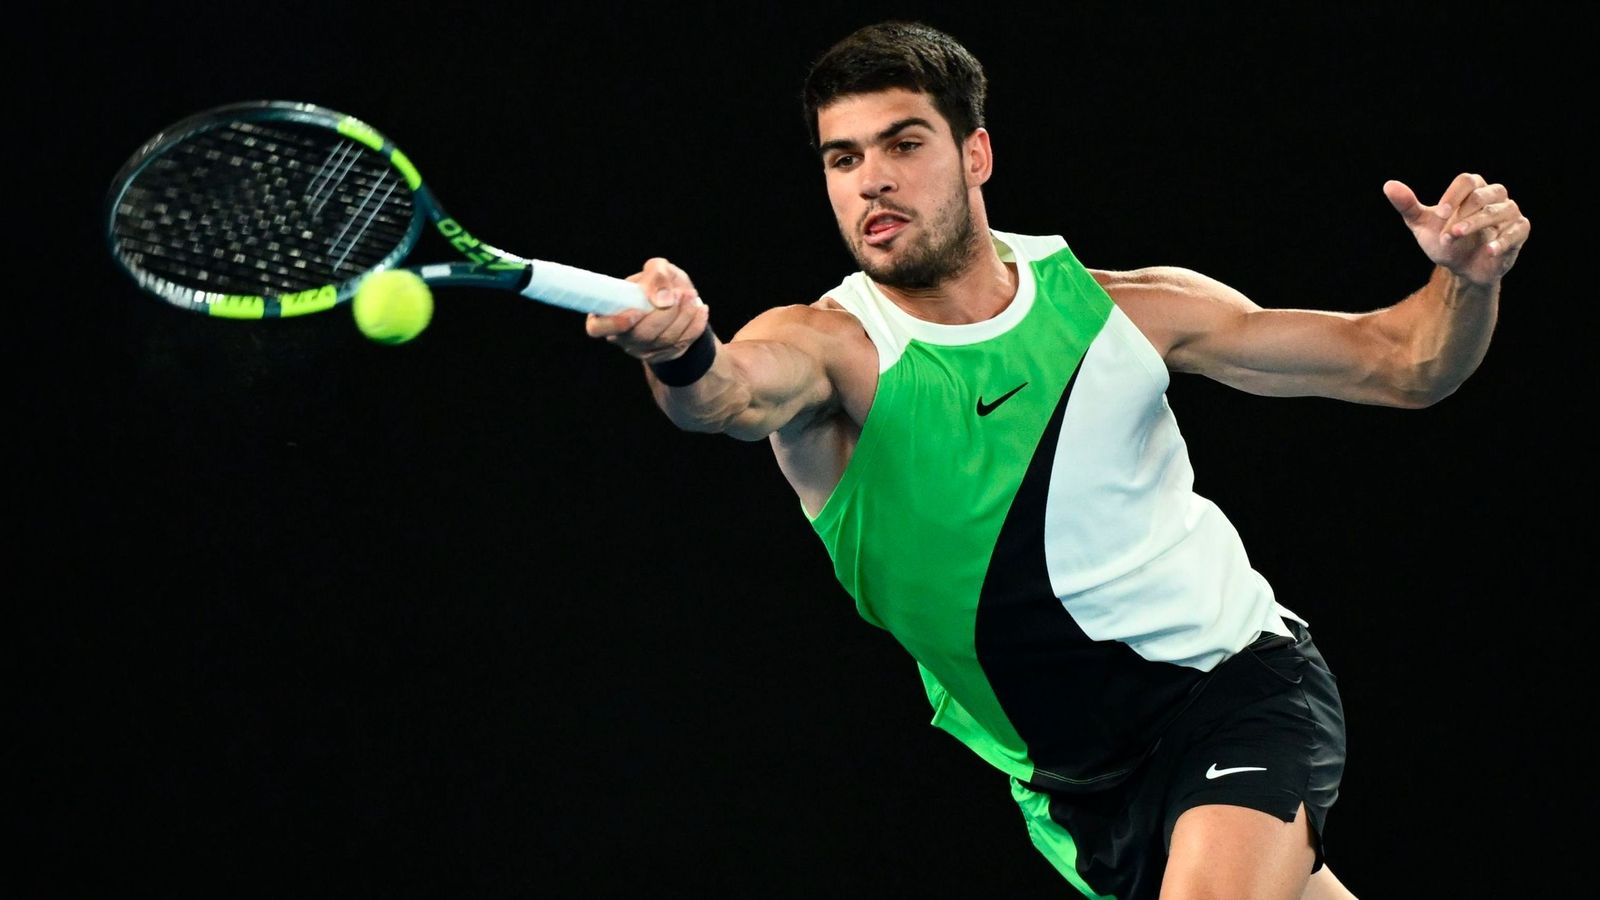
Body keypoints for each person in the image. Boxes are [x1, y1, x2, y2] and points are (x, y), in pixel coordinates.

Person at [585, 20, 1528, 900]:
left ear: (975, 154)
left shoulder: (1125, 311)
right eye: (844, 157)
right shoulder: (833, 348)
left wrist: (1464, 279)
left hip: (1233, 686)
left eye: (904, 144)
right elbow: (728, 394)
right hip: (1072, 787)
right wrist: (679, 347)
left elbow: (1404, 363)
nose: (871, 180)